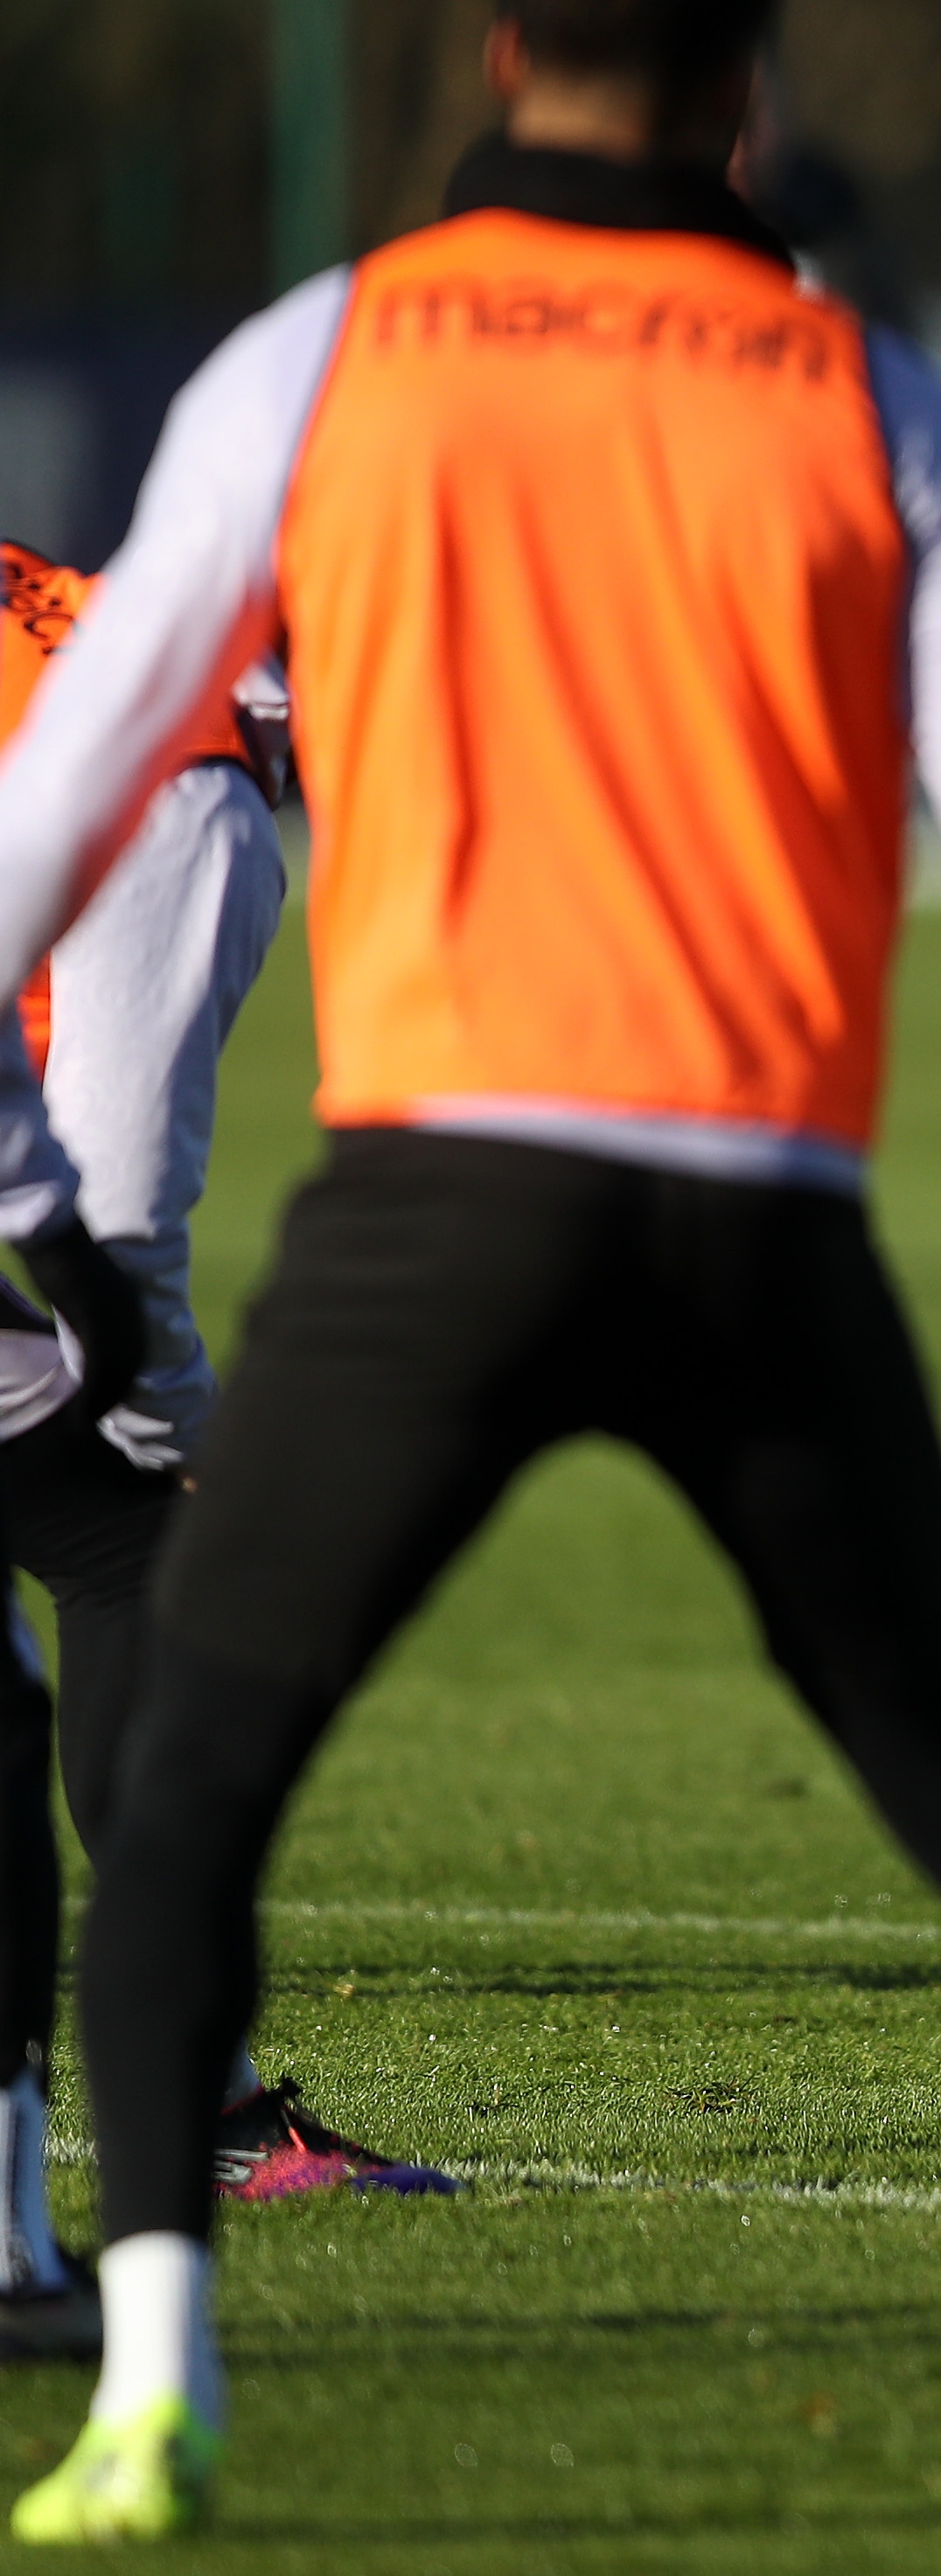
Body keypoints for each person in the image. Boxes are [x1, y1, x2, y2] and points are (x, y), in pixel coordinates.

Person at [0, 0, 941, 2534]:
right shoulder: (860, 385)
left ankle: (148, 2386)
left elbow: (87, 761)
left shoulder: (317, 353)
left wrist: (31, 1172)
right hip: (749, 1199)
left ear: (504, 58)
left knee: (205, 1771)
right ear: (751, 90)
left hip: (437, 1198)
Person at [0, 550, 452, 2343]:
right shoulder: (185, 775)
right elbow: (117, 1189)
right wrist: (164, 1418)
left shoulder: (72, 621)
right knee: (142, 1565)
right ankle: (206, 2097)